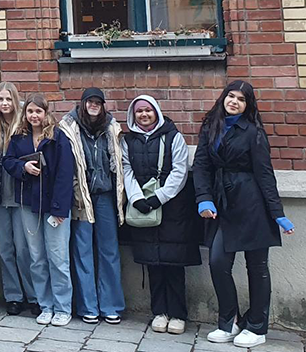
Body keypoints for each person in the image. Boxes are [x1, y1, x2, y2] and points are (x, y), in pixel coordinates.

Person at [194, 80, 294, 349]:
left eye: (241, 98)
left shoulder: (253, 132)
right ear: (223, 98)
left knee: (257, 267)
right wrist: (204, 199)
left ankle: (257, 326)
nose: (234, 101)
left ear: (247, 105)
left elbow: (265, 174)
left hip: (253, 205)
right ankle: (229, 321)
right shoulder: (210, 127)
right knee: (217, 262)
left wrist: (278, 213)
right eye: (230, 96)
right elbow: (201, 167)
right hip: (222, 205)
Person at [120, 94, 200, 336]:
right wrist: (136, 198)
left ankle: (177, 313)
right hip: (143, 208)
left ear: (156, 111)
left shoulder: (173, 136)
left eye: (148, 110)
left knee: (173, 264)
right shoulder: (128, 141)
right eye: (139, 111)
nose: (144, 115)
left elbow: (180, 170)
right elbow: (126, 169)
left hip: (172, 209)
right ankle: (159, 311)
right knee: (153, 264)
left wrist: (159, 197)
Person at [3, 94, 74, 327]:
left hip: (55, 206)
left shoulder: (58, 138)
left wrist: (60, 209)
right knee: (36, 258)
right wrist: (22, 167)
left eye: (38, 112)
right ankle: (45, 305)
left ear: (46, 114)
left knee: (58, 258)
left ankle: (63, 307)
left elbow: (65, 175)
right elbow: (8, 161)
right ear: (25, 115)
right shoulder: (19, 138)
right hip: (28, 205)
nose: (34, 116)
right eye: (30, 112)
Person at [59, 88, 125, 323]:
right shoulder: (69, 128)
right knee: (82, 250)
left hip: (106, 196)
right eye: (91, 101)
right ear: (83, 103)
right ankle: (88, 306)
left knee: (109, 250)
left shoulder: (111, 127)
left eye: (98, 102)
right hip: (81, 196)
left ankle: (110, 305)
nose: (94, 105)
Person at [0, 82, 35, 315]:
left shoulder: (25, 124)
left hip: (22, 195)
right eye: (0, 100)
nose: (4, 104)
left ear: (15, 100)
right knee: (5, 249)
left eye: (8, 99)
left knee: (24, 249)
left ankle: (34, 295)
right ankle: (13, 296)